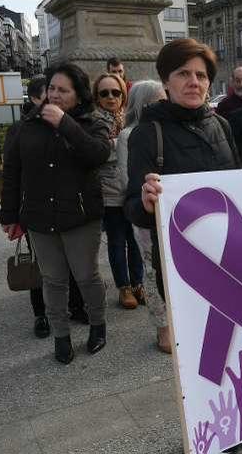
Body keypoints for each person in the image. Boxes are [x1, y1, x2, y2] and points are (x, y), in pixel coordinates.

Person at [125, 39, 242, 351]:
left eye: (201, 75)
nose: (194, 82)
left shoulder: (222, 126)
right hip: (182, 262)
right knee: (196, 347)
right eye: (183, 73)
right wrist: (147, 203)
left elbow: (240, 188)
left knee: (233, 338)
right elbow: (132, 207)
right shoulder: (148, 134)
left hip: (229, 254)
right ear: (166, 80)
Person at [0, 63, 111, 364]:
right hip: (39, 217)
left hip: (80, 216)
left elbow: (98, 155)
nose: (56, 95)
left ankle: (97, 325)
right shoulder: (25, 127)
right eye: (52, 89)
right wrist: (9, 215)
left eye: (64, 90)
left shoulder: (91, 122)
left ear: (78, 94)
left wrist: (66, 125)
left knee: (87, 276)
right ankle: (61, 337)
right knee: (53, 280)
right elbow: (12, 172)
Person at [117, 80, 172, 353]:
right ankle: (162, 328)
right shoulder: (130, 135)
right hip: (147, 213)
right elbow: (128, 179)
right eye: (157, 99)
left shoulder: (166, 129)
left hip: (173, 212)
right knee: (153, 271)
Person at [93, 73, 145, 309]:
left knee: (136, 241)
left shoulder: (130, 117)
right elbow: (97, 152)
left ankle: (138, 284)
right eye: (104, 93)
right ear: (97, 96)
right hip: (110, 192)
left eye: (116, 92)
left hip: (133, 188)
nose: (110, 97)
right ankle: (123, 287)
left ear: (124, 94)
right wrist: (122, 143)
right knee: (116, 242)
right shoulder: (94, 121)